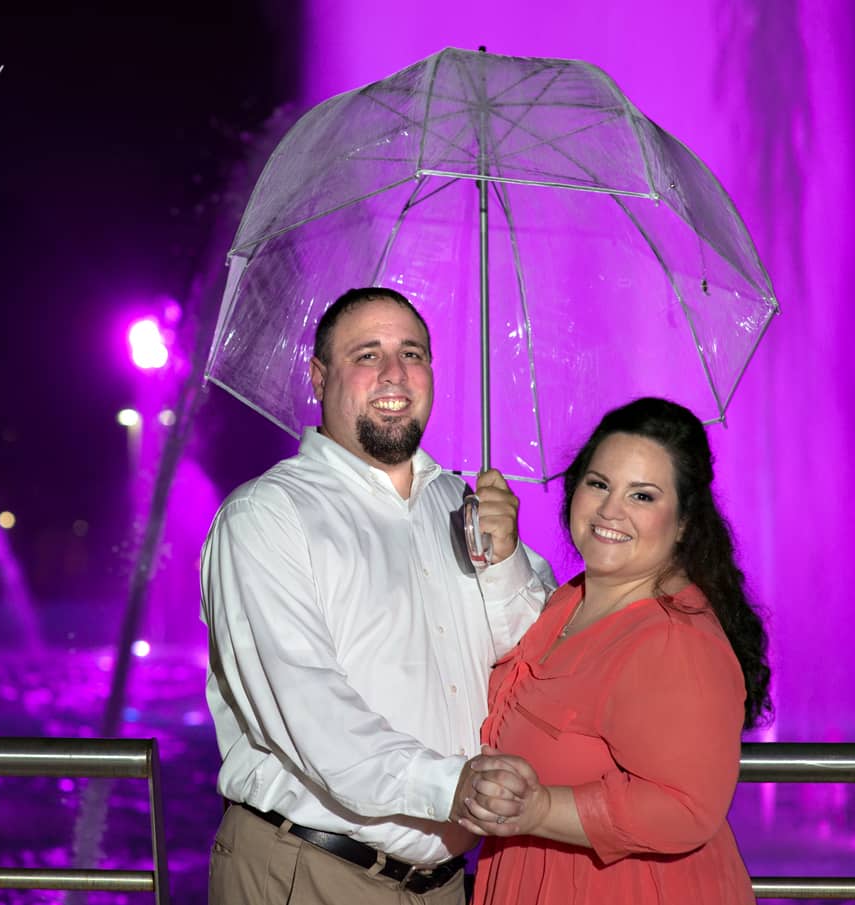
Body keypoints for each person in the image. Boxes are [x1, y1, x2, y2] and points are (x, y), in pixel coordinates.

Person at [202, 287, 557, 904]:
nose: (396, 373)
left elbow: (542, 660)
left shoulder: (464, 504)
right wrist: (454, 786)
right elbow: (309, 708)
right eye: (367, 354)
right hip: (309, 869)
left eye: (412, 354)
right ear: (319, 377)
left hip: (444, 884)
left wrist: (505, 561)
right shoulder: (268, 514)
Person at [458, 396, 771, 904]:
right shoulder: (569, 600)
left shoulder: (674, 639)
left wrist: (539, 809)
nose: (610, 510)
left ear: (685, 522)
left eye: (642, 496)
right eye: (599, 484)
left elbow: (688, 808)